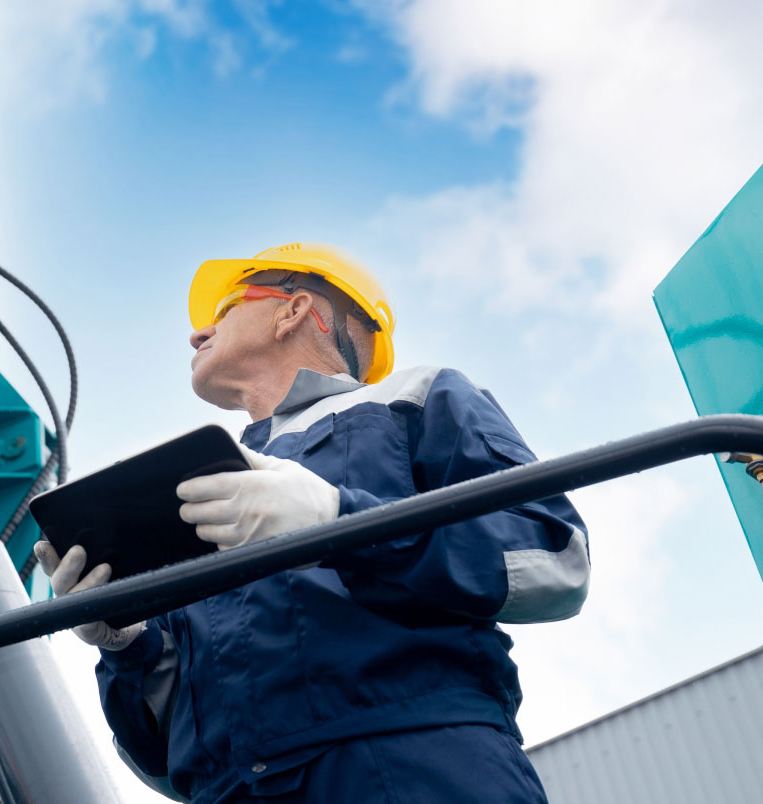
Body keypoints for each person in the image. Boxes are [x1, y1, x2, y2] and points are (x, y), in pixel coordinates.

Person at [33, 243, 589, 803]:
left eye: (223, 309)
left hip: (415, 766)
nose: (197, 335)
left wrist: (338, 520)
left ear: (293, 310)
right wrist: (125, 646)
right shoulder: (197, 488)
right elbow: (162, 763)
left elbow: (553, 560)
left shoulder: (417, 399)